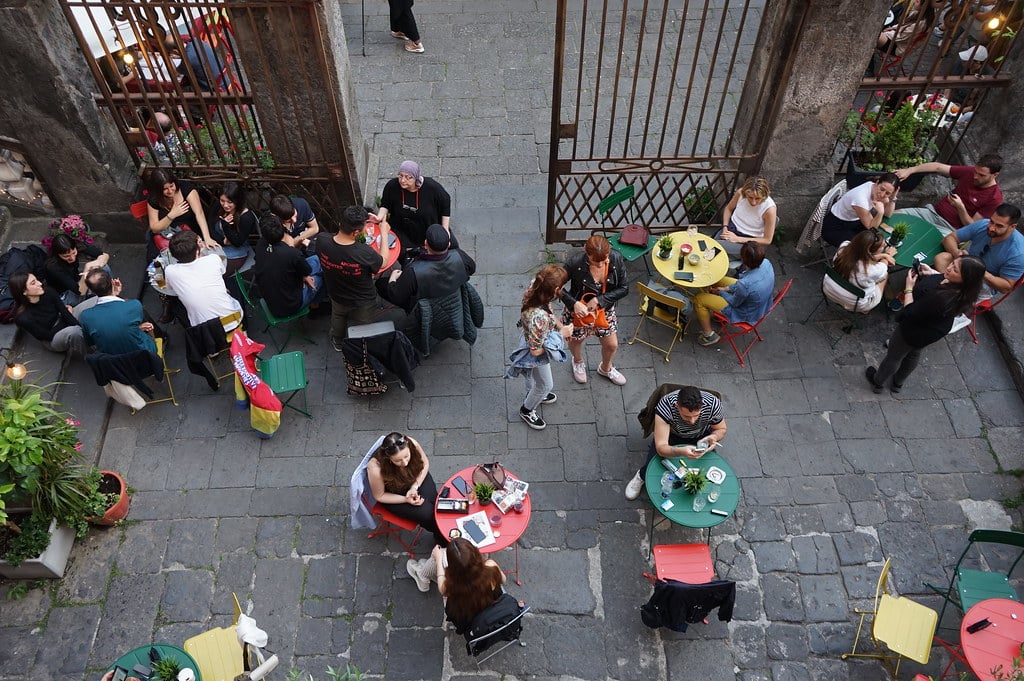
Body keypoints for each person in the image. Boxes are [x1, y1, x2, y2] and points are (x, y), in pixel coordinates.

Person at [866, 255, 985, 393]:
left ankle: (878, 382)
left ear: (965, 279)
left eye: (955, 270)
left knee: (894, 355)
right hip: (932, 330)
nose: (949, 268)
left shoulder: (940, 298)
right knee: (913, 353)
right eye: (952, 263)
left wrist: (909, 288)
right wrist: (932, 273)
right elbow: (943, 279)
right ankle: (898, 383)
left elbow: (910, 311)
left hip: (915, 328)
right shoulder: (965, 291)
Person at [316, 205, 402, 348]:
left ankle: (338, 342)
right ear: (356, 232)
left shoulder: (322, 240)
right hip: (362, 300)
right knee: (363, 325)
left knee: (338, 316)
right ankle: (359, 348)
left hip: (336, 293)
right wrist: (384, 233)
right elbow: (383, 262)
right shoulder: (364, 253)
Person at [625, 385, 727, 500]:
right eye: (686, 416)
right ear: (676, 406)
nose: (692, 421)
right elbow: (661, 447)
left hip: (701, 437)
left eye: (696, 416)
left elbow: (721, 429)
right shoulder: (666, 406)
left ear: (703, 403)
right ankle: (641, 476)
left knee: (707, 467)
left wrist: (713, 437)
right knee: (653, 464)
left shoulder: (713, 404)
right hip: (671, 436)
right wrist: (680, 451)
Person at [559, 235, 628, 385]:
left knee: (611, 345)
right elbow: (557, 286)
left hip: (604, 310)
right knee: (576, 340)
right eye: (595, 261)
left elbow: (624, 288)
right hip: (578, 312)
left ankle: (606, 368)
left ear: (609, 252)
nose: (600, 265)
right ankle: (577, 361)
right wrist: (574, 303)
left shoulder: (616, 259)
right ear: (586, 253)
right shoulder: (575, 263)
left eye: (604, 261)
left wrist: (600, 300)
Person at [516, 265, 572, 431]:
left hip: (531, 336)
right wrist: (561, 334)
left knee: (536, 378)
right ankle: (527, 409)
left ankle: (534, 392)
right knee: (546, 384)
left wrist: (559, 326)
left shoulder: (536, 287)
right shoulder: (537, 318)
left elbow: (550, 314)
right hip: (534, 349)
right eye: (561, 287)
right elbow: (536, 351)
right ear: (554, 290)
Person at [366, 432, 446, 547]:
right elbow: (380, 496)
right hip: (394, 493)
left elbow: (425, 464)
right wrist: (406, 499)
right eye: (397, 460)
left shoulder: (411, 443)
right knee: (428, 514)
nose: (404, 462)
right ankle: (441, 538)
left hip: (416, 478)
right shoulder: (375, 468)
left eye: (406, 456)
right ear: (388, 458)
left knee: (437, 504)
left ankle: (443, 532)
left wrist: (415, 486)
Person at [893, 154, 1004, 235]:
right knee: (894, 216)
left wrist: (960, 207)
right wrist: (910, 170)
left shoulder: (994, 198)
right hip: (932, 212)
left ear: (995, 175)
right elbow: (937, 167)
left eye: (981, 175)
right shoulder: (969, 172)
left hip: (950, 228)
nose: (975, 176)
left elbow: (971, 226)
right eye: (975, 171)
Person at [409, 539, 507, 629]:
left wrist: (439, 559)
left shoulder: (451, 586)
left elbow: (441, 582)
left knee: (438, 557)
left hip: (466, 617)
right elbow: (503, 580)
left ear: (452, 567)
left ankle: (422, 575)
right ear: (476, 554)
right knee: (439, 557)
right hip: (490, 604)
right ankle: (423, 574)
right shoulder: (491, 565)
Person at [692, 241, 775, 347]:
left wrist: (721, 292)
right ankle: (715, 309)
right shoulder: (766, 263)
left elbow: (734, 303)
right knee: (718, 279)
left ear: (743, 259)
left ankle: (709, 335)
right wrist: (726, 288)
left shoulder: (744, 285)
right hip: (762, 304)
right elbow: (742, 285)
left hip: (745, 312)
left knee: (699, 299)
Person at [933, 203, 1024, 298]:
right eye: (992, 221)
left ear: (1012, 226)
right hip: (964, 264)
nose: (992, 228)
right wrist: (957, 253)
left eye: (999, 226)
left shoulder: (1018, 253)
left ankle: (946, 293)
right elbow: (950, 238)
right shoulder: (983, 224)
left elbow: (1006, 287)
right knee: (942, 258)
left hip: (983, 281)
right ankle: (945, 290)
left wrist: (980, 271)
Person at [382, 223, 476, 312]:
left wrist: (393, 278)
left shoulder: (413, 271)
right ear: (449, 244)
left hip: (424, 307)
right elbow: (472, 269)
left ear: (426, 244)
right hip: (452, 295)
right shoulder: (460, 256)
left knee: (380, 284)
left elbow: (396, 296)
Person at [163, 230, 243, 330]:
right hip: (233, 320)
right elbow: (221, 272)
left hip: (202, 329)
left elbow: (170, 289)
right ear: (197, 250)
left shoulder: (170, 271)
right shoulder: (213, 259)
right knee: (230, 283)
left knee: (178, 304)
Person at [377, 161, 454, 257]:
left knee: (450, 249)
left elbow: (445, 202)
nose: (403, 180)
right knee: (405, 257)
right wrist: (379, 217)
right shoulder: (392, 186)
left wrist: (445, 228)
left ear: (416, 178)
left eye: (408, 177)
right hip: (403, 230)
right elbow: (385, 204)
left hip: (426, 228)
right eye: (400, 176)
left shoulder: (432, 187)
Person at [254, 214, 324, 317]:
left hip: (272, 300)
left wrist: (303, 275)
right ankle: (316, 308)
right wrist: (304, 275)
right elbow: (307, 270)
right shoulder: (291, 253)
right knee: (320, 277)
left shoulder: (260, 244)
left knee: (316, 260)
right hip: (289, 305)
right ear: (283, 227)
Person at [78, 269, 158, 355]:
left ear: (92, 291)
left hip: (113, 362)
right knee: (148, 327)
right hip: (144, 355)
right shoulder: (134, 305)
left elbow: (91, 341)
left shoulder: (85, 316)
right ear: (112, 282)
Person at [8, 272, 86, 356]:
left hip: (60, 319)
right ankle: (92, 356)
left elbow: (65, 313)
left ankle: (95, 339)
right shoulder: (23, 317)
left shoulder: (48, 292)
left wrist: (78, 325)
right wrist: (66, 318)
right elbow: (48, 336)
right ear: (24, 291)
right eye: (33, 283)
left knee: (94, 302)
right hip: (53, 339)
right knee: (75, 331)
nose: (40, 283)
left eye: (37, 280)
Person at [824, 229, 896, 312]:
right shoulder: (873, 270)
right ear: (871, 251)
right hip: (853, 304)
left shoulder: (844, 246)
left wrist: (882, 255)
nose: (884, 247)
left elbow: (861, 256)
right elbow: (883, 267)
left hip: (828, 288)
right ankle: (865, 310)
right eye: (883, 246)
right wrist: (887, 255)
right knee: (884, 275)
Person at [146, 168, 216, 251]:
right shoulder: (154, 199)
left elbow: (199, 213)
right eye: (165, 189)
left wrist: (207, 238)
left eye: (172, 186)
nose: (170, 191)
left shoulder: (185, 188)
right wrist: (171, 215)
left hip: (189, 230)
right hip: (166, 233)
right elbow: (154, 228)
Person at [822, 173, 900, 247]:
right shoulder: (860, 199)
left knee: (878, 238)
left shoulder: (873, 187)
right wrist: (880, 213)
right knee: (867, 246)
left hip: (852, 221)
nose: (882, 195)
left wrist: (893, 198)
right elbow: (871, 228)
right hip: (834, 227)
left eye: (887, 193)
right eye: (882, 189)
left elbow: (888, 214)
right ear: (877, 183)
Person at [716, 176, 778, 256]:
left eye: (757, 198)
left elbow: (767, 240)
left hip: (750, 241)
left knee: (714, 248)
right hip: (731, 229)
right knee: (707, 245)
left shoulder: (769, 210)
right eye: (750, 197)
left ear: (764, 196)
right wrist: (725, 226)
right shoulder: (740, 193)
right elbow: (728, 209)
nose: (753, 202)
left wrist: (738, 239)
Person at [44, 233, 110, 306]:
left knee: (104, 267)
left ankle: (109, 290)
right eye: (66, 256)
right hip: (65, 293)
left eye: (74, 253)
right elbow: (80, 291)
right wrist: (87, 268)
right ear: (58, 255)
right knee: (92, 285)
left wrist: (97, 264)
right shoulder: (53, 267)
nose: (72, 258)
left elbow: (104, 255)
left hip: (76, 277)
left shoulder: (78, 246)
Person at [213, 182, 257, 276]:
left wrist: (225, 225)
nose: (225, 205)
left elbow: (238, 242)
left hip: (236, 251)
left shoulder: (246, 217)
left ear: (238, 201)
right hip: (218, 243)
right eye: (222, 201)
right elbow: (210, 225)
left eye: (230, 202)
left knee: (215, 274)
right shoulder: (219, 206)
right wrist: (222, 241)